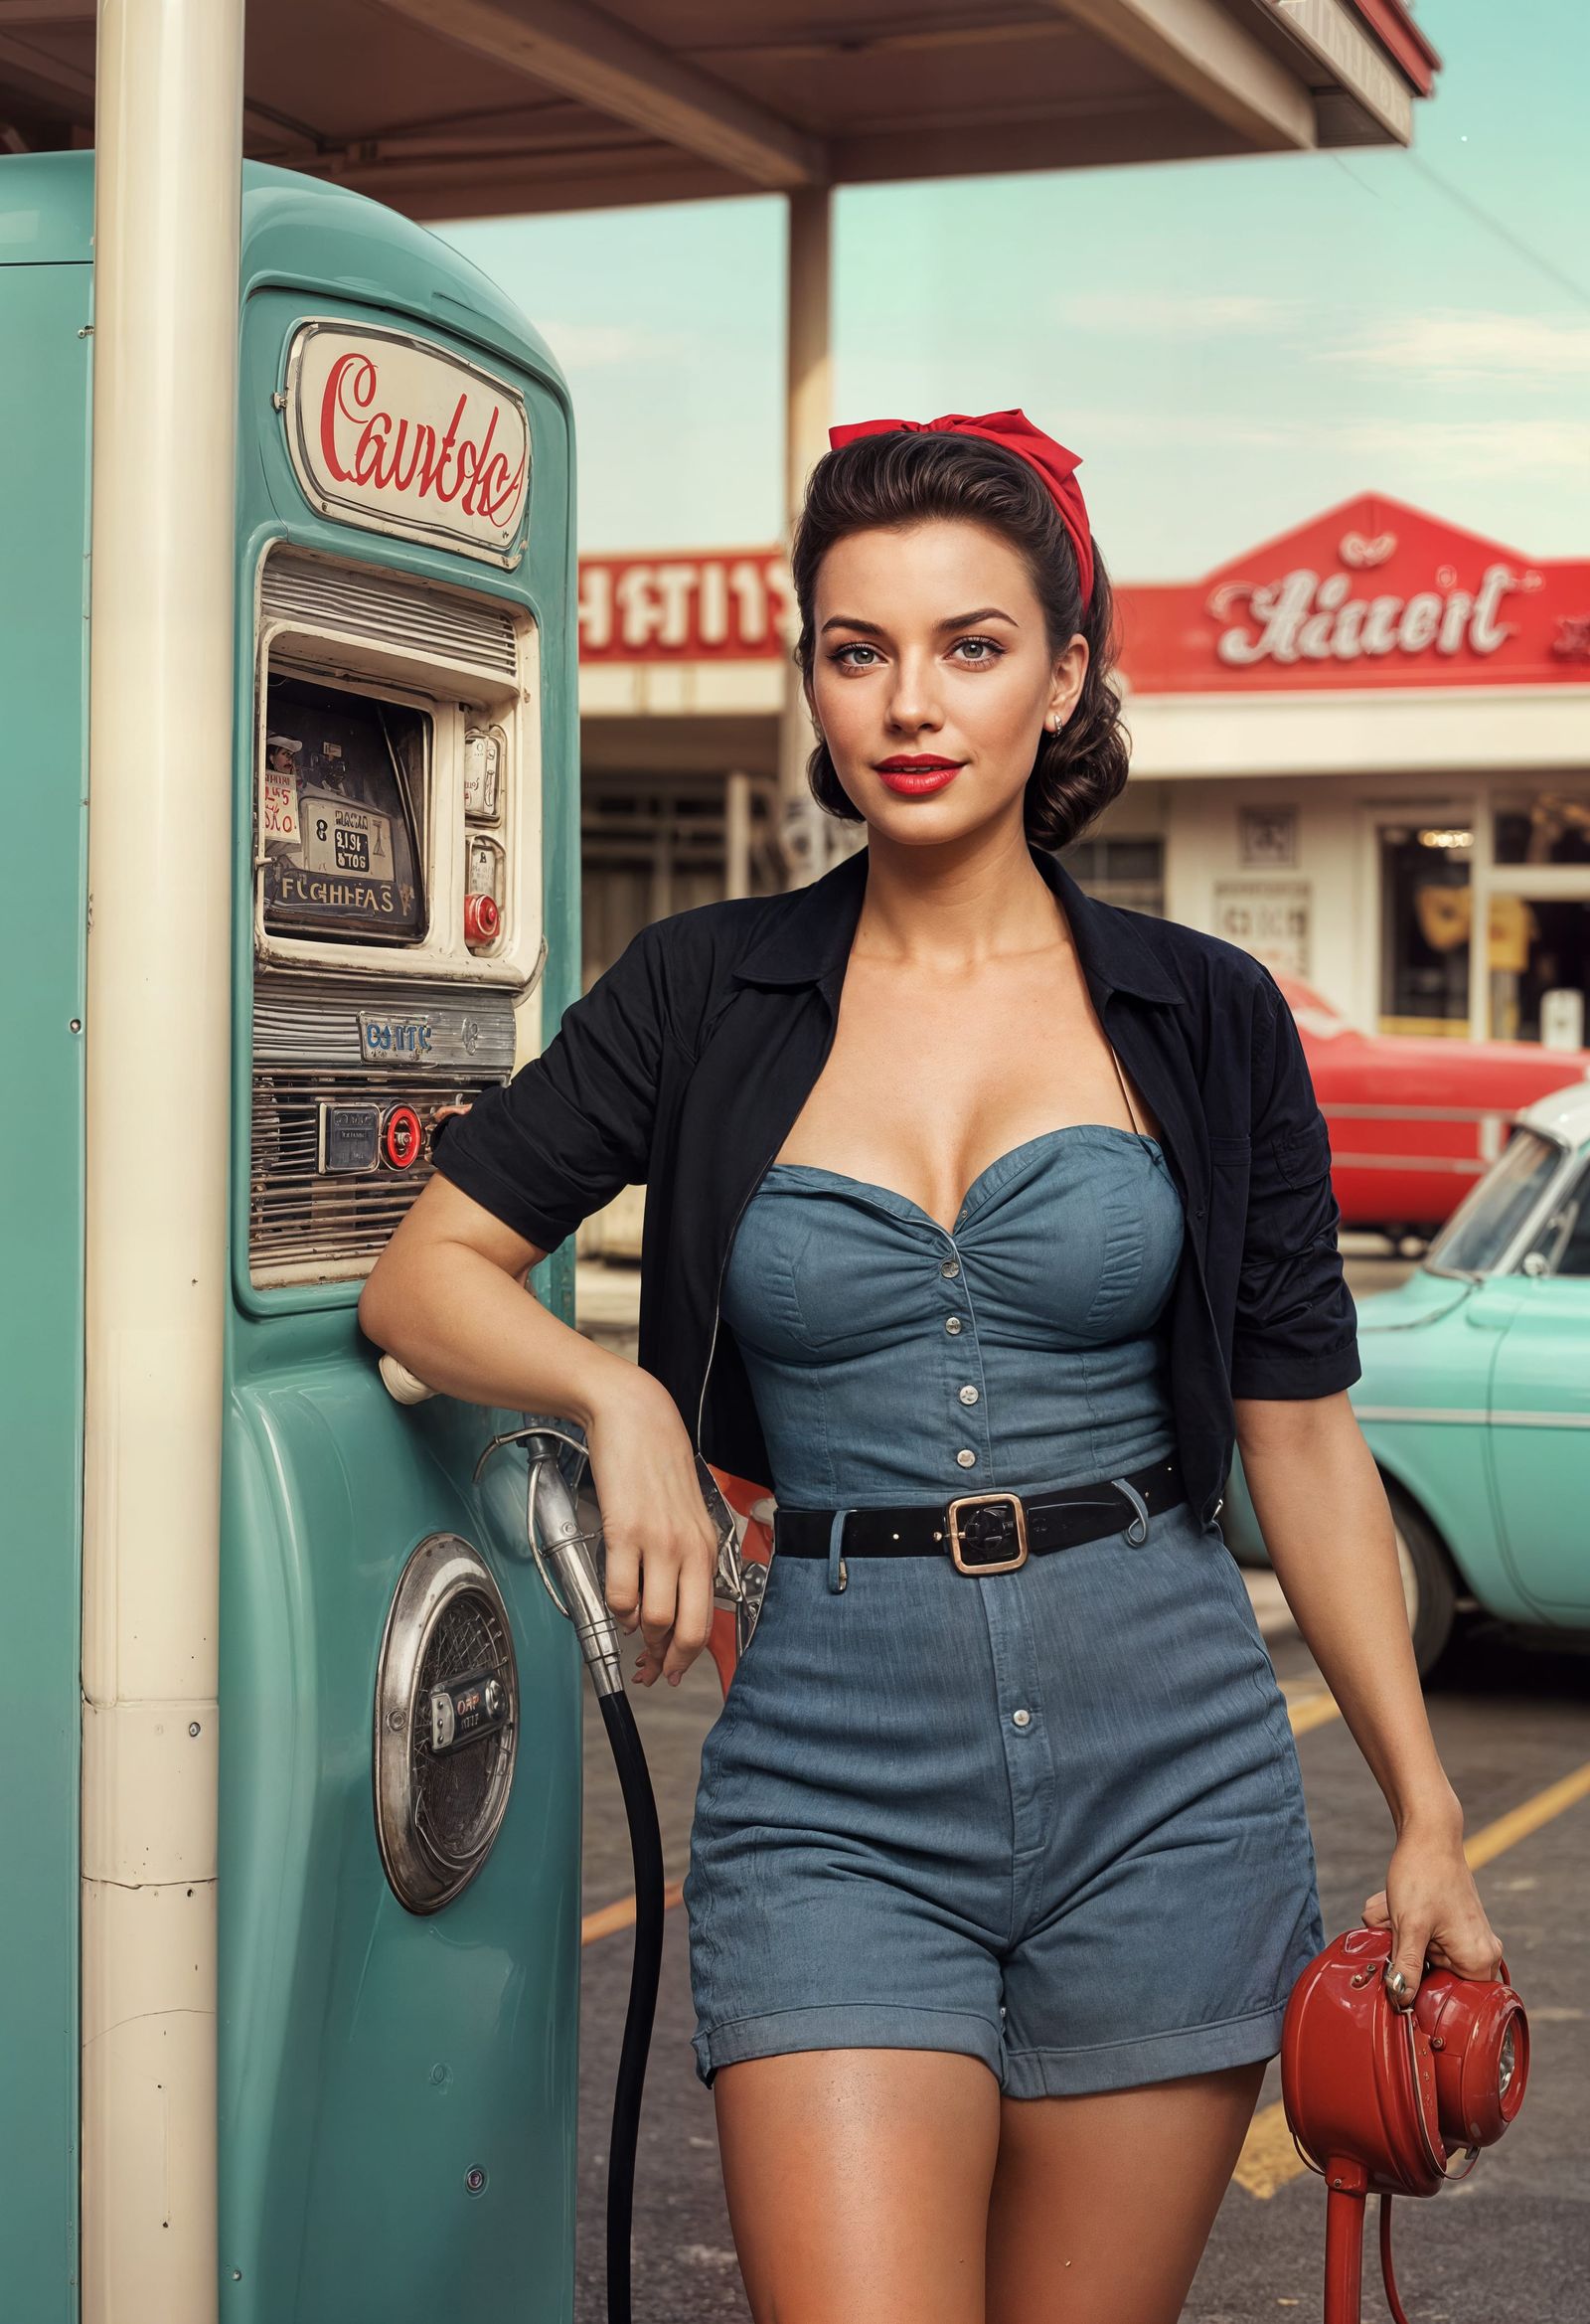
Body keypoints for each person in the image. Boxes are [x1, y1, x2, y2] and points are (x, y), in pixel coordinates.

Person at [359, 410, 1504, 2324]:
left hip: (1175, 1774)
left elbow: (1299, 1438)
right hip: (829, 1778)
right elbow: (424, 1276)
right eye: (857, 646)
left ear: (1065, 673)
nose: (911, 700)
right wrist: (614, 1392)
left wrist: (1426, 1801)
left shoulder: (1205, 1018)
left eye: (973, 645)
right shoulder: (704, 989)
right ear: (810, 671)